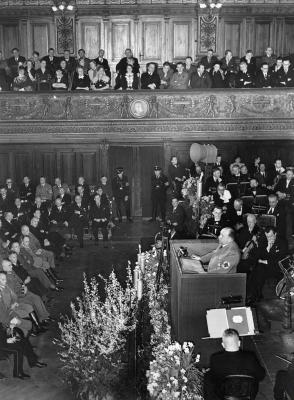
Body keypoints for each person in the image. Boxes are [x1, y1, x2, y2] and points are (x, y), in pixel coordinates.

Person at [204, 328, 265, 400]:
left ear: (223, 345)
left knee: (208, 376)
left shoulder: (215, 358)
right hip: (248, 396)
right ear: (239, 343)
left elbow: (214, 379)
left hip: (223, 396)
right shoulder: (250, 357)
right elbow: (261, 376)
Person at [247, 226, 288, 304]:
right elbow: (260, 254)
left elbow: (281, 258)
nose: (269, 238)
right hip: (265, 265)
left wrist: (265, 261)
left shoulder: (282, 242)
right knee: (256, 270)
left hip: (276, 267)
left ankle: (255, 296)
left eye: (270, 236)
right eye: (267, 236)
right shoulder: (264, 240)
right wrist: (267, 249)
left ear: (275, 234)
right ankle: (254, 295)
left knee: (259, 271)